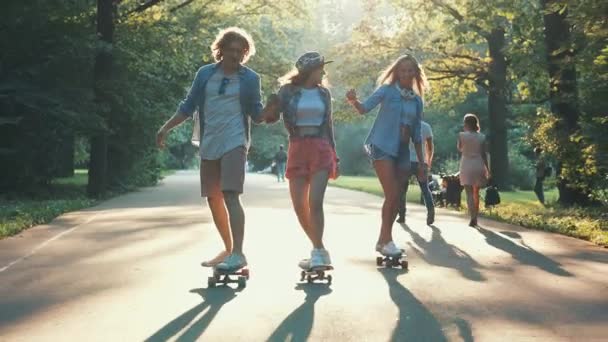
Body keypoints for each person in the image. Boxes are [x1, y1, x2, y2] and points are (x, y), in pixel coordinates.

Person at [156, 27, 266, 271]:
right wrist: (165, 129)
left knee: (230, 194)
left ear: (245, 53)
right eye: (231, 50)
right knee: (214, 198)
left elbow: (257, 115)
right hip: (209, 142)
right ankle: (228, 249)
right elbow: (187, 107)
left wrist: (274, 111)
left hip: (235, 141)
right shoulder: (205, 74)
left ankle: (238, 253)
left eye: (241, 51)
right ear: (221, 50)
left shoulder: (250, 78)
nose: (236, 55)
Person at [345, 54, 427, 257]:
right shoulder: (387, 91)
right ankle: (387, 240)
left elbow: (417, 134)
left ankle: (383, 240)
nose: (406, 73)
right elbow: (364, 109)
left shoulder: (416, 101)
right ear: (397, 72)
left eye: (410, 70)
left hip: (402, 151)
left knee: (397, 197)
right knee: (391, 195)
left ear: (415, 73)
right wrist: (354, 101)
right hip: (381, 146)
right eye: (403, 70)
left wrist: (422, 162)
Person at [264, 52, 339, 270]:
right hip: (297, 147)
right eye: (320, 68)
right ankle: (320, 248)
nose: (323, 72)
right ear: (310, 70)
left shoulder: (324, 94)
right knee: (299, 206)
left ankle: (316, 252)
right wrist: (270, 106)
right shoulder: (287, 91)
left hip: (321, 147)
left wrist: (335, 155)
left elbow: (329, 125)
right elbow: (270, 118)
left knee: (315, 202)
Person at [396, 120, 435, 225]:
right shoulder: (426, 127)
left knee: (402, 190)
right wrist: (428, 162)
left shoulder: (404, 126)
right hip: (420, 162)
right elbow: (430, 148)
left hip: (406, 162)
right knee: (425, 188)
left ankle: (402, 215)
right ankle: (431, 213)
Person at [457, 113, 490, 227]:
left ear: (466, 124)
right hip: (478, 164)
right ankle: (475, 216)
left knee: (469, 193)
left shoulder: (462, 135)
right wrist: (488, 169)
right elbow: (484, 154)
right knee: (476, 192)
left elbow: (460, 149)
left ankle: (473, 218)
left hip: (466, 165)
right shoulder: (482, 137)